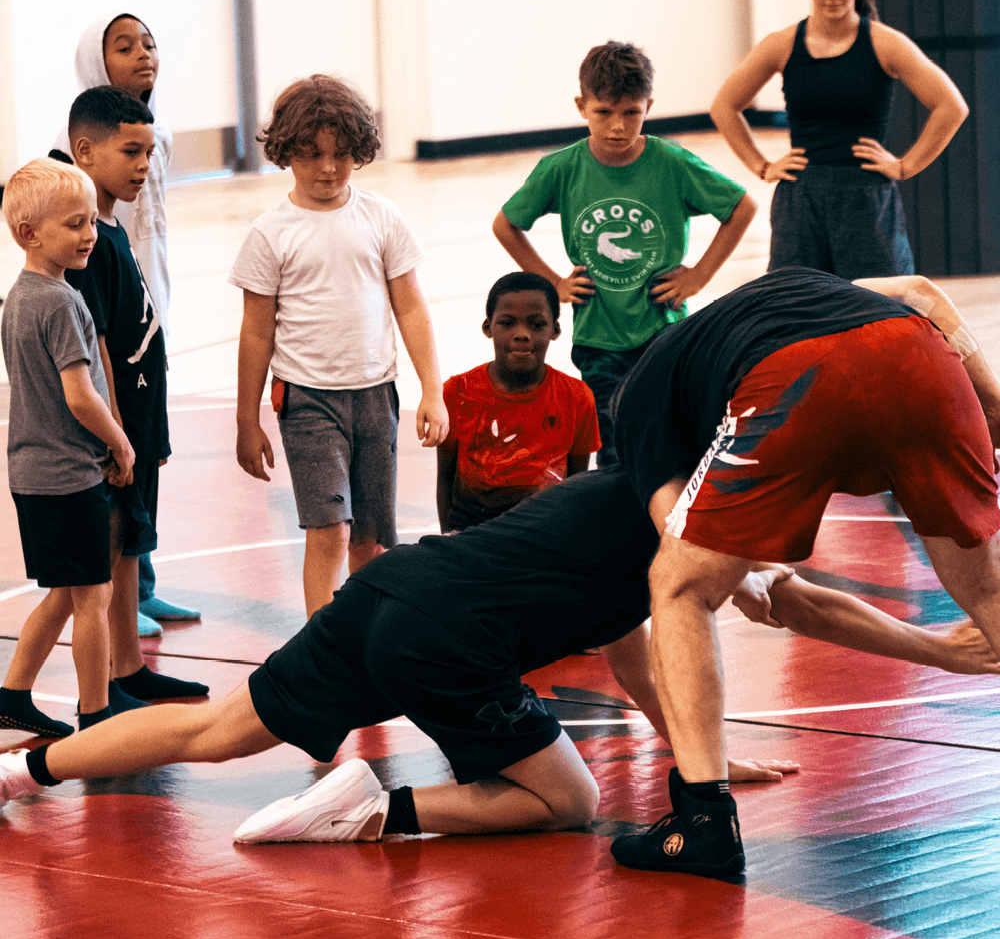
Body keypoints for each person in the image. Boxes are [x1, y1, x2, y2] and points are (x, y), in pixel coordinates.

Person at [2, 467, 997, 839]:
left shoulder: (630, 497)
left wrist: (692, 750)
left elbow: (634, 653)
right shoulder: (690, 514)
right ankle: (373, 807)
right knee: (568, 802)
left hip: (395, 588)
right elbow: (793, 599)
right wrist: (938, 651)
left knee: (220, 731)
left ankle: (22, 766)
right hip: (449, 641)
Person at [608, 266, 1000, 878]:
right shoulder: (786, 294)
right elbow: (922, 292)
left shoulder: (636, 405)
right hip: (919, 354)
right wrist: (993, 405)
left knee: (678, 587)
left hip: (798, 378)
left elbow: (733, 581)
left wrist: (744, 579)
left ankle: (702, 820)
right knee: (986, 591)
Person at [230, 74, 449, 618]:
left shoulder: (381, 217)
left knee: (372, 538)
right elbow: (256, 331)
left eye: (342, 154)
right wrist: (245, 419)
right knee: (328, 528)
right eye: (311, 154)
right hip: (308, 400)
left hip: (376, 394)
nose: (328, 168)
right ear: (286, 152)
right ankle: (321, 647)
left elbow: (411, 307)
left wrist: (432, 390)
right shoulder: (270, 233)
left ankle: (366, 636)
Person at [494, 40, 756, 467]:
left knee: (670, 437)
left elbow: (742, 207)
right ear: (582, 106)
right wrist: (555, 283)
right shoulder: (563, 168)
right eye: (604, 113)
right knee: (615, 447)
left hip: (663, 328)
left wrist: (700, 275)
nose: (618, 126)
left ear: (648, 106)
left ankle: (669, 524)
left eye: (631, 113)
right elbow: (506, 225)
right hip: (599, 336)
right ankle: (622, 524)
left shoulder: (671, 163)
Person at [50, 10, 199, 637]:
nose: (143, 54)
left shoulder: (148, 141)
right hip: (112, 331)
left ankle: (145, 585)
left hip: (144, 313)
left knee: (147, 474)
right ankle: (122, 611)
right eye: (123, 46)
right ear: (95, 60)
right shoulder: (75, 174)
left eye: (150, 43)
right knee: (123, 480)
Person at [64, 86, 209, 703]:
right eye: (131, 151)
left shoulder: (115, 228)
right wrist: (118, 435)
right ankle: (101, 688)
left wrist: (153, 433)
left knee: (130, 550)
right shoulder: (85, 243)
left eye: (150, 153)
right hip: (113, 433)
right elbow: (95, 349)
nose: (143, 166)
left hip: (141, 424)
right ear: (85, 151)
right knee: (112, 548)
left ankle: (129, 670)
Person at [710, 0, 968, 279]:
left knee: (877, 309)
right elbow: (724, 107)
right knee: (798, 306)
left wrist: (905, 166)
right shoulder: (782, 44)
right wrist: (762, 167)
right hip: (801, 199)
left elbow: (952, 106)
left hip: (866, 197)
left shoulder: (885, 42)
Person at [0, 158, 135, 734]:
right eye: (74, 225)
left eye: (90, 223)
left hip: (32, 472)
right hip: (67, 473)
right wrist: (120, 444)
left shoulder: (20, 297)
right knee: (92, 597)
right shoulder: (60, 302)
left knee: (61, 592)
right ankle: (96, 709)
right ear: (29, 234)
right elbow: (79, 397)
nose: (89, 235)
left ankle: (11, 694)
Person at [436, 272, 600, 532]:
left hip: (543, 536)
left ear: (555, 330)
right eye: (507, 323)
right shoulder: (456, 392)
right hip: (471, 536)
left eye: (536, 324)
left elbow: (576, 484)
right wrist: (448, 537)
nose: (522, 334)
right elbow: (445, 477)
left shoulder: (577, 397)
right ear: (488, 327)